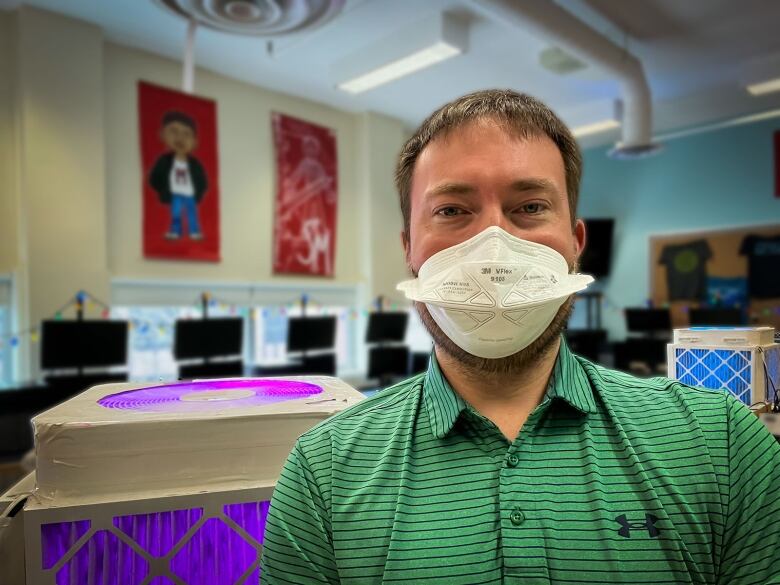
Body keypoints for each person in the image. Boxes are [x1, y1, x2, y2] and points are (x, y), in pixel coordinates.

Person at [261, 90, 780, 584]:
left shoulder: (722, 444)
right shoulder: (323, 470)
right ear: (410, 250)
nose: (495, 245)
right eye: (452, 210)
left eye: (530, 206)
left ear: (575, 244)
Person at [149, 111, 208, 240]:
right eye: (174, 131)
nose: (180, 139)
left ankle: (194, 231)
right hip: (175, 192)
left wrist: (199, 193)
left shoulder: (195, 164)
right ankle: (176, 231)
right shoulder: (165, 161)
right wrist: (163, 190)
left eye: (186, 134)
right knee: (175, 213)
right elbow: (154, 178)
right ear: (162, 134)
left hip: (189, 193)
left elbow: (202, 181)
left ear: (195, 142)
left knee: (192, 214)